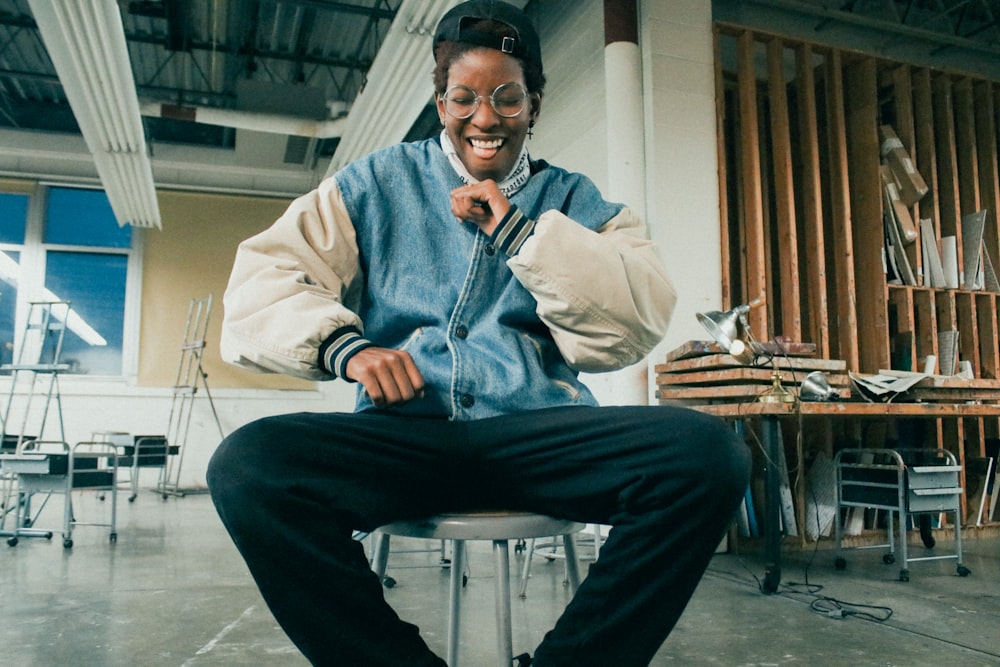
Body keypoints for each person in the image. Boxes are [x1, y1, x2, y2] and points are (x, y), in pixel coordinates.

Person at [207, 1, 750, 665]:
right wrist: (345, 348)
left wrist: (522, 233)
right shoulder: (377, 182)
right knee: (247, 465)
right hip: (408, 435)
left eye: (507, 98)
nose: (485, 118)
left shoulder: (577, 200)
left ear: (535, 104)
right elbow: (264, 279)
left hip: (539, 435)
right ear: (440, 103)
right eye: (463, 97)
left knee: (707, 454)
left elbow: (634, 320)